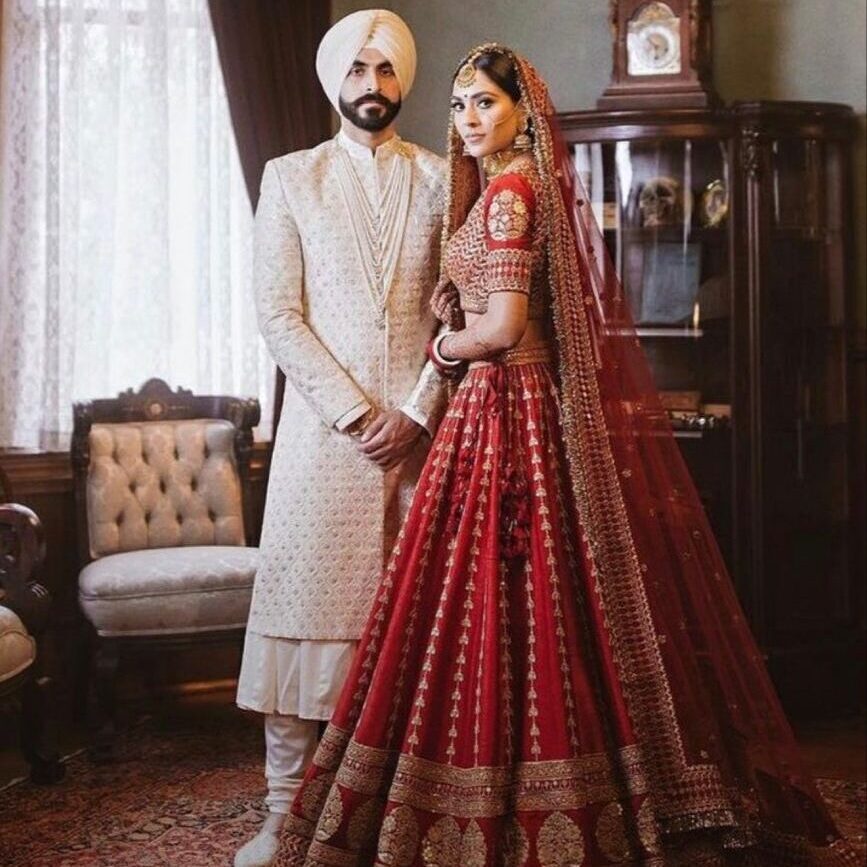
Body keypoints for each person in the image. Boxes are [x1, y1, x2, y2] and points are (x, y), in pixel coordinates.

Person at [273, 45, 859, 867]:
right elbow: (498, 299)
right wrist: (457, 300)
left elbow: (506, 328)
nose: (467, 120)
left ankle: (512, 783)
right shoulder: (510, 188)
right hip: (507, 401)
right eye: (459, 105)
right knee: (530, 586)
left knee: (503, 584)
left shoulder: (510, 194)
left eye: (484, 103)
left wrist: (445, 345)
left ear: (523, 111)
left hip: (504, 401)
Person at [233, 11, 448, 867]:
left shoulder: (442, 179)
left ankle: (396, 815)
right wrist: (357, 414)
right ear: (334, 80)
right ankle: (283, 816)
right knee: (303, 621)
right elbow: (277, 314)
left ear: (403, 81)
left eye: (385, 70)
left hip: (423, 442)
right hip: (324, 445)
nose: (372, 85)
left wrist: (416, 411)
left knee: (413, 633)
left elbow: (458, 311)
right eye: (357, 69)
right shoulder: (291, 177)